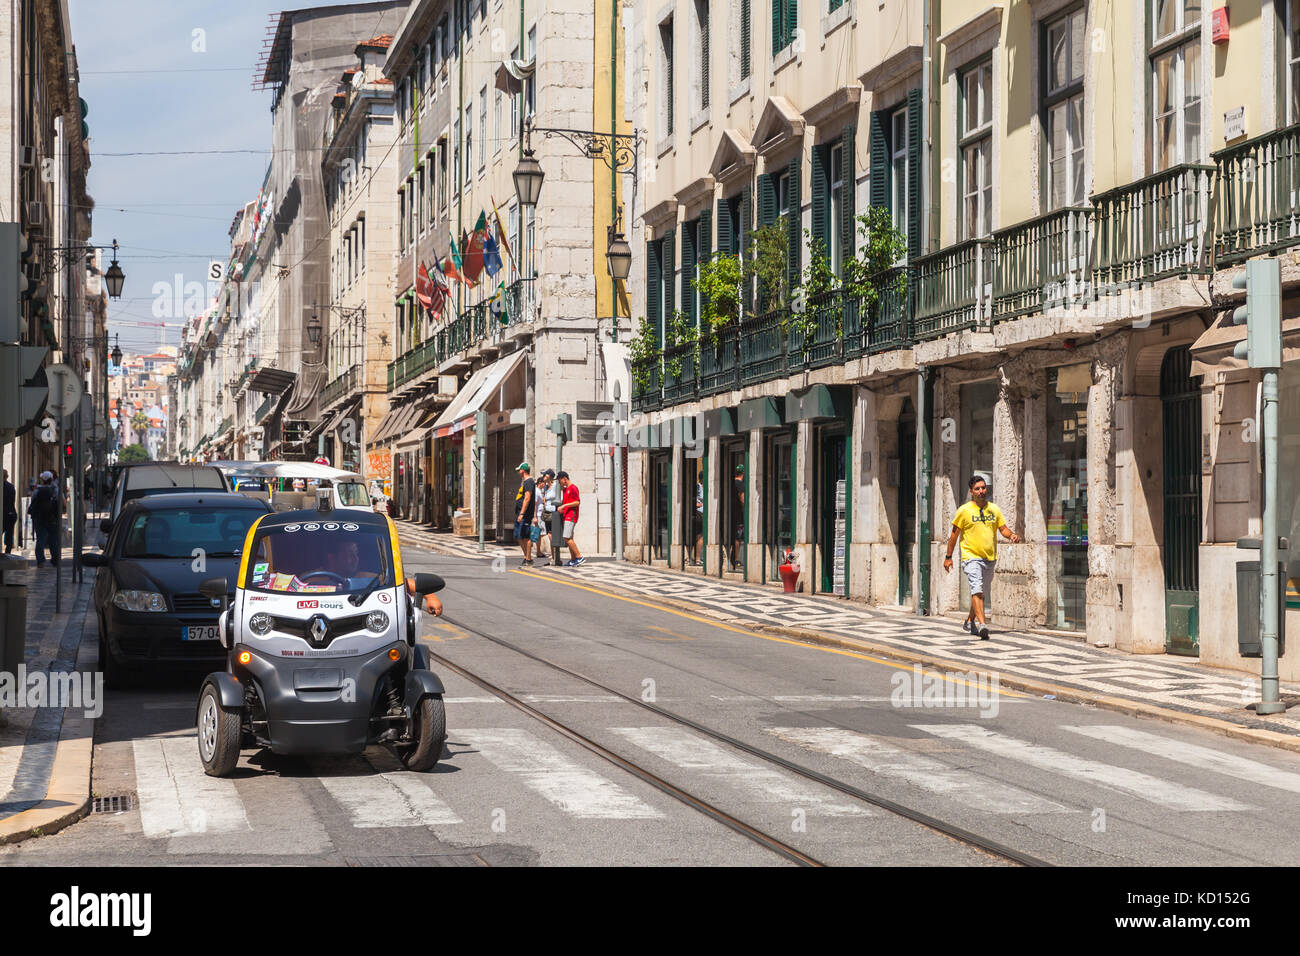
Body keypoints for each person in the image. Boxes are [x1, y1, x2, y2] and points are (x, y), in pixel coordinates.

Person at [944, 474, 1020, 640]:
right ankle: (983, 625)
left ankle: (970, 620)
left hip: (989, 558)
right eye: (977, 489)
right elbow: (953, 537)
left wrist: (1012, 535)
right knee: (977, 589)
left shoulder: (994, 509)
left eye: (983, 488)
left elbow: (1003, 529)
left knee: (979, 593)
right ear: (971, 492)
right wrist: (948, 556)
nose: (981, 491)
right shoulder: (964, 511)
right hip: (971, 556)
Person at [30, 471, 61, 568]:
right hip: (52, 518)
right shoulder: (55, 490)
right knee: (53, 540)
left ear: (42, 480)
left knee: (40, 539)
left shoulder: (37, 490)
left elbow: (33, 502)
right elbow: (61, 503)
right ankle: (55, 560)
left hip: (39, 518)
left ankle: (40, 561)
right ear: (51, 479)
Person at [556, 471, 584, 567]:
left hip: (571, 515)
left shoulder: (573, 488)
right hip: (567, 515)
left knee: (566, 537)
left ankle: (579, 557)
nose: (560, 483)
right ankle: (573, 559)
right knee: (569, 537)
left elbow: (577, 502)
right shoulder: (566, 489)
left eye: (560, 481)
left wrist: (564, 506)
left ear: (564, 479)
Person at [533, 469, 558, 562]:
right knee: (549, 535)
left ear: (550, 477)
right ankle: (553, 556)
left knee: (552, 535)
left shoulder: (556, 486)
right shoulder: (545, 488)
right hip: (547, 514)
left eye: (545, 475)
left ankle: (555, 555)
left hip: (554, 513)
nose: (543, 477)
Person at [514, 462, 536, 566]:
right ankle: (526, 557)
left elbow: (527, 498)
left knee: (526, 536)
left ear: (523, 470)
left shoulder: (529, 482)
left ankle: (528, 559)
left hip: (525, 514)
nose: (518, 472)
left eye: (519, 470)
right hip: (520, 513)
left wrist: (522, 513)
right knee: (518, 536)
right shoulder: (525, 482)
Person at [731, 462, 746, 571]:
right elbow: (742, 499)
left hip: (731, 513)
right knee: (738, 537)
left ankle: (732, 558)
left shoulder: (732, 483)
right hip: (739, 514)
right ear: (743, 473)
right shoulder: (741, 485)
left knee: (734, 536)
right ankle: (736, 559)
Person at [3, 470, 16, 554]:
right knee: (9, 535)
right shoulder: (11, 486)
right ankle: (8, 554)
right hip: (11, 513)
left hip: (4, 514)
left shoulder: (4, 487)